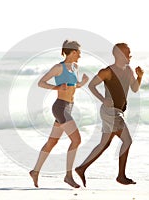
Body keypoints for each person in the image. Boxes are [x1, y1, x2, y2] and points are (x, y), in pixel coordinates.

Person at [75, 43, 144, 187]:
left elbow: (135, 89)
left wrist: (140, 77)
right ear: (119, 55)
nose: (130, 56)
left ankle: (82, 168)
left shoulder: (129, 70)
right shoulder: (108, 72)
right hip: (110, 112)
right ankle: (121, 176)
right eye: (127, 53)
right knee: (127, 140)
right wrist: (103, 99)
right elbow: (91, 85)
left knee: (104, 144)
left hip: (117, 112)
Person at [29, 40, 89, 188]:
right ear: (73, 52)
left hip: (69, 107)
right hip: (60, 107)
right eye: (79, 53)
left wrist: (82, 83)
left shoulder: (75, 67)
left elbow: (72, 86)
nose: (80, 56)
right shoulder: (58, 68)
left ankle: (35, 171)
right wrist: (56, 87)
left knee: (52, 142)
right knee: (76, 140)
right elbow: (41, 83)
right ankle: (68, 176)